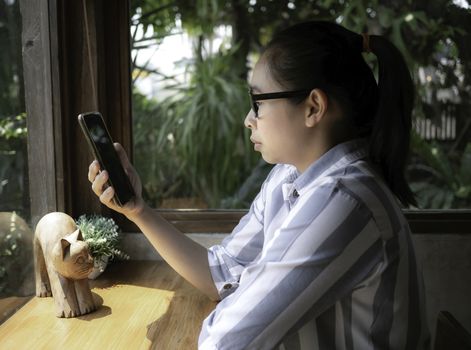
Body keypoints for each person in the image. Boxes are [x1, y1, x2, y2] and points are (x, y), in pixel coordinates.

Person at [88, 20, 430, 349]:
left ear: (313, 107)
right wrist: (137, 211)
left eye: (258, 102)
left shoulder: (345, 201)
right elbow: (221, 273)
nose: (248, 119)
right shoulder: (290, 176)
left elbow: (227, 339)